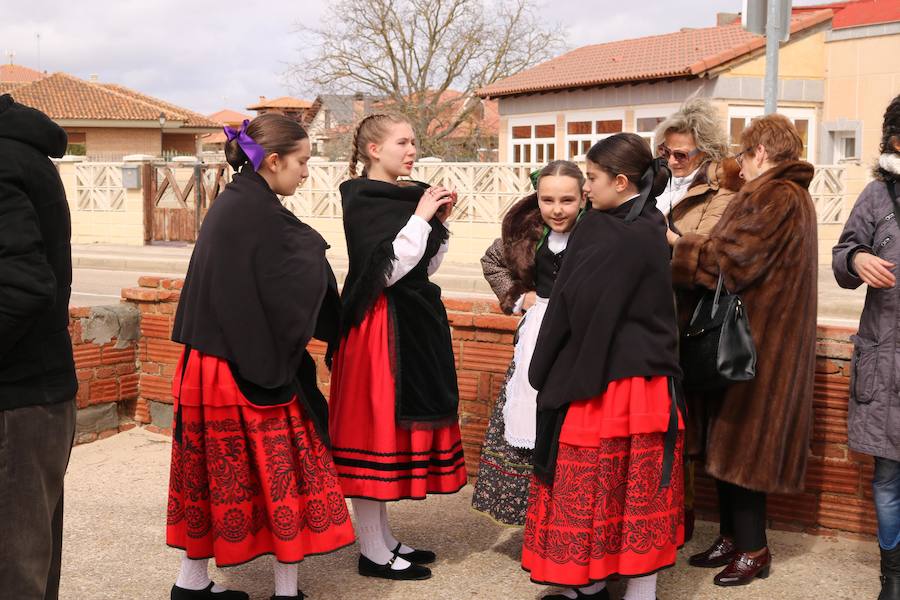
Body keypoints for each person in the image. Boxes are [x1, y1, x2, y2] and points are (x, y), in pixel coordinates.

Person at [167, 114, 354, 600]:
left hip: (209, 361)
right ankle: (286, 593)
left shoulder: (236, 201)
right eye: (303, 161)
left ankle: (191, 584)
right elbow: (301, 265)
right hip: (237, 365)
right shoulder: (256, 211)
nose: (307, 172)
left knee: (213, 476)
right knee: (283, 472)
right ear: (273, 160)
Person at [523, 133, 683, 600]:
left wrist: (547, 367)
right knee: (634, 487)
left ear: (619, 180)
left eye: (590, 178)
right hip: (646, 379)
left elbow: (574, 306)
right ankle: (622, 586)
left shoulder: (605, 228)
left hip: (606, 381)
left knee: (598, 486)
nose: (586, 188)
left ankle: (596, 583)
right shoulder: (651, 222)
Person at [672, 113, 817, 586]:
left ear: (758, 153)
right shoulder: (777, 193)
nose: (737, 163)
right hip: (747, 340)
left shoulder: (777, 194)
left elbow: (734, 260)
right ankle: (734, 538)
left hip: (761, 345)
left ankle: (754, 550)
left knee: (745, 447)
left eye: (742, 154)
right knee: (727, 439)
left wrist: (678, 244)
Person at [328, 113, 468, 581]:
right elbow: (384, 272)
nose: (412, 150)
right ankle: (371, 551)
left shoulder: (409, 197)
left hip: (410, 326)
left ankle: (383, 540)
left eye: (414, 142)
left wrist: (436, 223)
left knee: (388, 433)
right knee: (373, 436)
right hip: (377, 331)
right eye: (403, 142)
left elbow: (422, 267)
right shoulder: (362, 198)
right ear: (374, 150)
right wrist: (422, 217)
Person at [472, 160, 585, 526]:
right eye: (547, 199)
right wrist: (521, 298)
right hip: (536, 339)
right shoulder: (526, 233)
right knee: (529, 424)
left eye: (566, 200)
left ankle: (566, 520)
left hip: (580, 342)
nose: (556, 209)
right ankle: (536, 521)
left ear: (584, 197)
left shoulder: (597, 232)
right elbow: (492, 262)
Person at [0, 94, 77, 600]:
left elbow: (21, 287)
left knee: (15, 575)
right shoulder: (20, 152)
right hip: (33, 396)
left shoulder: (5, 159)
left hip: (17, 402)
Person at [657, 98, 743, 541]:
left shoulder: (720, 191)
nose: (671, 161)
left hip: (689, 318)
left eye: (681, 154)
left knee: (685, 424)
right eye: (665, 152)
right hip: (648, 313)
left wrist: (663, 235)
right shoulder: (657, 183)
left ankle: (683, 519)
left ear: (705, 153)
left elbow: (706, 252)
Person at [832, 93, 900, 600]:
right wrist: (856, 261)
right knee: (889, 477)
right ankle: (892, 580)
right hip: (888, 359)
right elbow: (842, 252)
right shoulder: (878, 197)